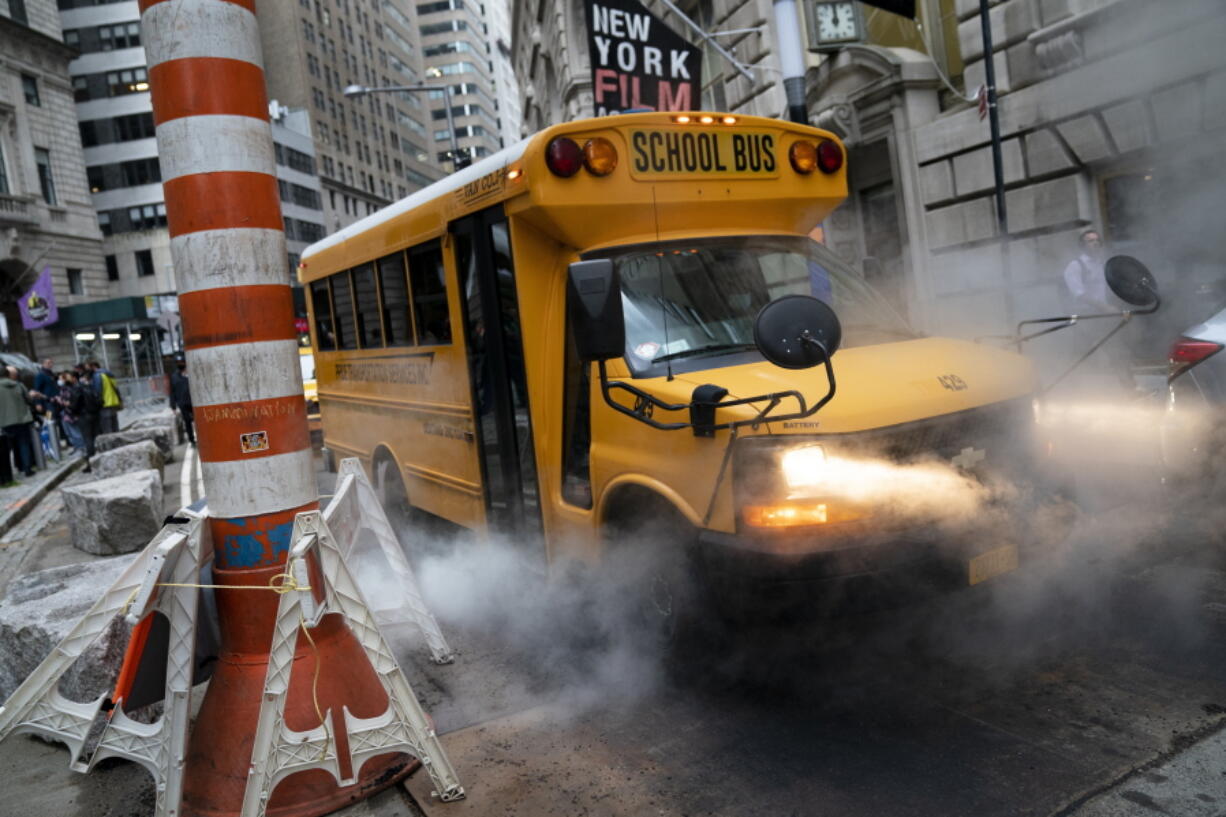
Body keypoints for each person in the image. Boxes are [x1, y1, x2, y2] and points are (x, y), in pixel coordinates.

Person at [1062, 228, 1114, 314]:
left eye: (1097, 240)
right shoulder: (1075, 265)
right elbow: (1079, 294)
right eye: (1091, 241)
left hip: (1104, 312)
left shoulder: (1102, 264)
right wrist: (1104, 307)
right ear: (1082, 245)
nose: (1096, 243)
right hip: (1085, 315)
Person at [0, 366, 37, 478]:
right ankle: (27, 468)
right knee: (23, 444)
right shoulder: (19, 385)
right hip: (22, 420)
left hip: (4, 421)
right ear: (8, 374)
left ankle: (7, 473)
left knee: (7, 447)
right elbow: (29, 400)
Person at [54, 371, 85, 455]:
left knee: (75, 432)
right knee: (69, 432)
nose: (59, 381)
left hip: (70, 414)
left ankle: (81, 448)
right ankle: (77, 447)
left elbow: (69, 402)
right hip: (65, 413)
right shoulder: (63, 388)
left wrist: (60, 401)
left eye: (60, 379)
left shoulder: (68, 388)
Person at [169, 359, 195, 445]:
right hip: (182, 403)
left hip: (193, 402)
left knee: (198, 421)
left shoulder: (191, 373)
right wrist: (173, 406)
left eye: (182, 362)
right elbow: (172, 392)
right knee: (187, 421)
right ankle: (191, 440)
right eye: (179, 362)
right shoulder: (174, 377)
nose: (181, 364)